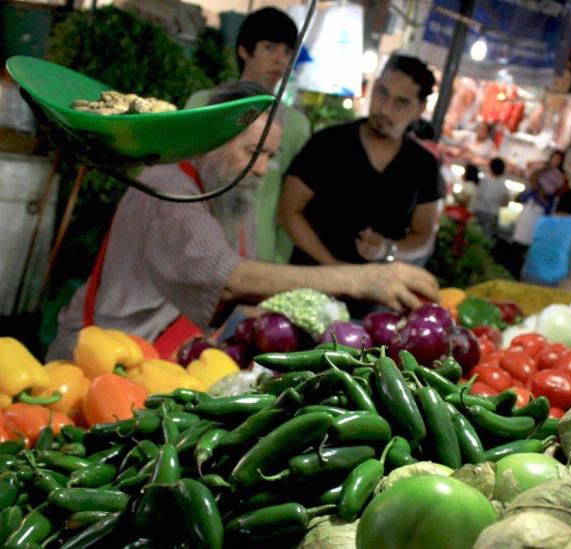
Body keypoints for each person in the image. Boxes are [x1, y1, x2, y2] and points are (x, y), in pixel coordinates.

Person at [47, 81, 438, 360]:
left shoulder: (229, 194)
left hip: (157, 360)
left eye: (270, 156)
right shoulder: (167, 186)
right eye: (253, 152)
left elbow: (240, 293)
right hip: (99, 360)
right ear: (213, 139)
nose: (261, 169)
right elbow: (229, 279)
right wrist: (359, 279)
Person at [278, 54, 444, 270]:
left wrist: (388, 248)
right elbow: (288, 210)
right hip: (309, 281)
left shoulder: (424, 166)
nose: (385, 109)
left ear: (420, 109)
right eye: (382, 93)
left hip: (375, 294)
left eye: (401, 102)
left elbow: (424, 237)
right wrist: (334, 267)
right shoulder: (329, 143)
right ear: (373, 87)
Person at [186, 7, 311, 264]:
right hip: (195, 246)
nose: (280, 60)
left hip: (258, 256)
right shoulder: (203, 104)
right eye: (269, 48)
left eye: (288, 52)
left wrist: (278, 262)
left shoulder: (296, 126)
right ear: (244, 50)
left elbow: (291, 202)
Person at [472, 157, 508, 240]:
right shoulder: (503, 185)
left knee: (474, 236)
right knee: (486, 239)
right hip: (493, 214)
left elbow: (477, 194)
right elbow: (505, 203)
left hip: (479, 211)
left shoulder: (485, 180)